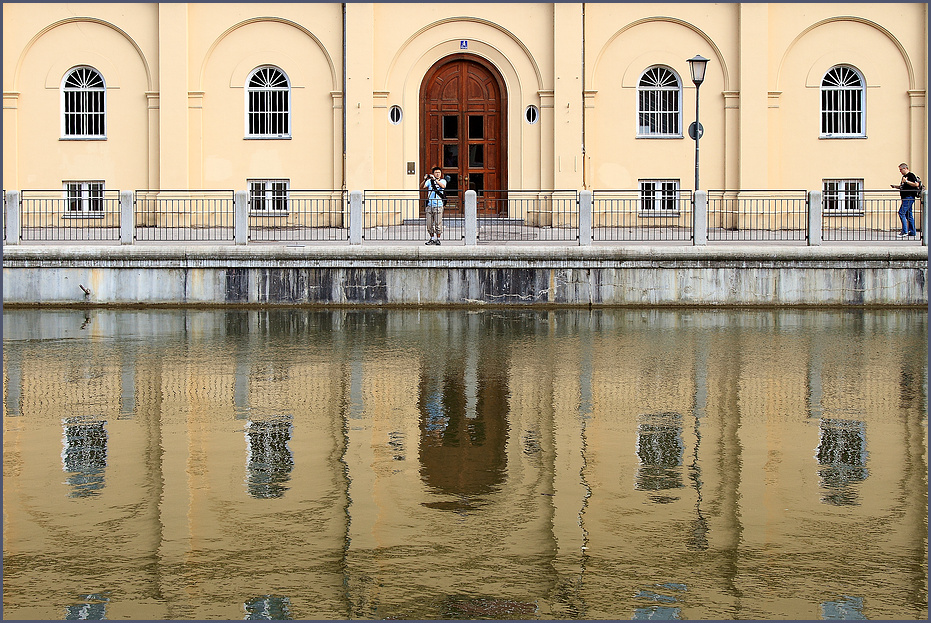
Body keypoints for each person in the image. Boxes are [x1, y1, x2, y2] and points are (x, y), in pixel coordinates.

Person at [891, 162, 919, 237]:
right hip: (906, 198)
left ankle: (904, 231)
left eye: (901, 170)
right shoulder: (904, 177)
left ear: (905, 168)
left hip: (908, 197)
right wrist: (896, 187)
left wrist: (906, 181)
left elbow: (916, 184)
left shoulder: (910, 175)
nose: (900, 171)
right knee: (909, 215)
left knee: (901, 212)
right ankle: (912, 232)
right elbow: (902, 186)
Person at [423, 166, 447, 245]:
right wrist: (425, 179)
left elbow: (443, 186)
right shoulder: (429, 181)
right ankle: (432, 238)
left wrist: (435, 180)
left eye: (439, 173)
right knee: (429, 224)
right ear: (433, 173)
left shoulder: (443, 181)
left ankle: (438, 239)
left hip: (438, 205)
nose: (437, 174)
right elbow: (422, 187)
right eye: (436, 172)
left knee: (438, 223)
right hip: (430, 205)